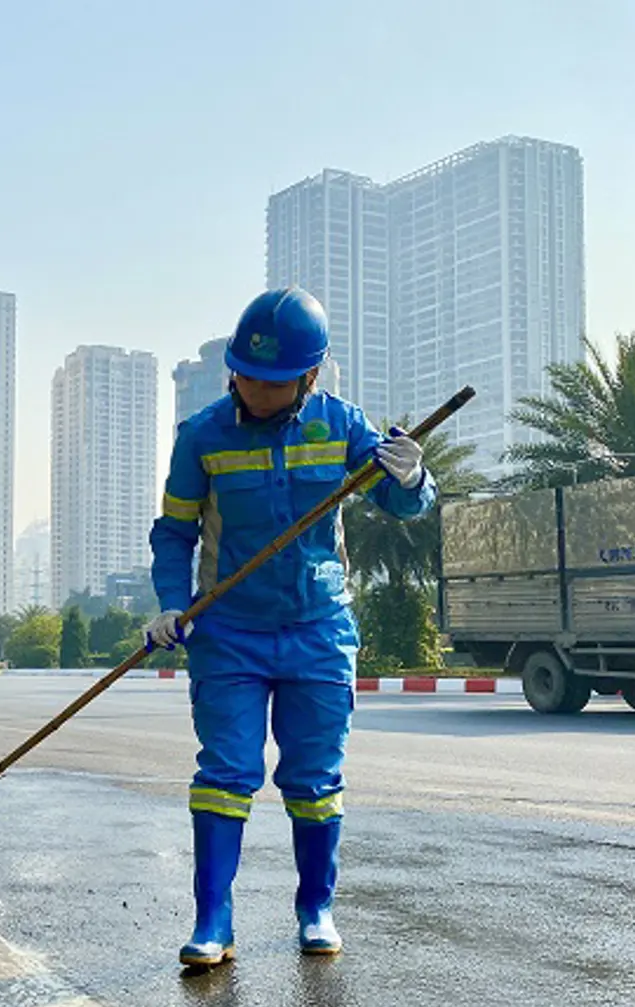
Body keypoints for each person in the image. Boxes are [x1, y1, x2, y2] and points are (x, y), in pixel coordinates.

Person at [147, 286, 436, 967]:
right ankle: (213, 919)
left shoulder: (340, 426)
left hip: (317, 629)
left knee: (312, 779)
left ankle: (315, 907)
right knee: (225, 772)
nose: (256, 388)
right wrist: (168, 603)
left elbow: (400, 504)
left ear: (308, 376)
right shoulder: (200, 438)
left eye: (274, 381)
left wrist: (411, 475)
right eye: (247, 374)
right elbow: (173, 533)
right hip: (228, 632)